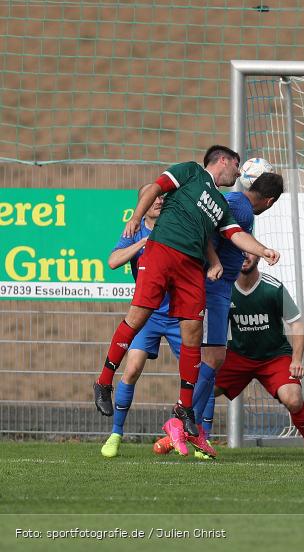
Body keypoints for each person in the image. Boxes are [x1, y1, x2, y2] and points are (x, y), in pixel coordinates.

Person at [92, 145, 280, 455]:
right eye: (236, 165)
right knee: (138, 317)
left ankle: (184, 409)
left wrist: (262, 250)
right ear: (224, 160)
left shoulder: (221, 204)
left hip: (191, 267)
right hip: (162, 252)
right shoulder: (190, 171)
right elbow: (155, 187)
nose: (238, 172)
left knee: (193, 332)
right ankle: (103, 382)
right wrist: (136, 218)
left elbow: (230, 234)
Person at [155, 253, 304, 458]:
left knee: (294, 399)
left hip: (274, 357)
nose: (245, 255)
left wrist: (297, 359)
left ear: (259, 257)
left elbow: (297, 323)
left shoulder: (273, 288)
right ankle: (178, 434)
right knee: (200, 386)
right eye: (240, 251)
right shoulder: (224, 289)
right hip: (237, 357)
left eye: (250, 251)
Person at [185, 172, 284, 458]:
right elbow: (205, 229)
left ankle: (193, 428)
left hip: (219, 289)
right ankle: (182, 419)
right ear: (270, 200)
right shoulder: (239, 206)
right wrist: (213, 261)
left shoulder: (238, 205)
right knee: (208, 359)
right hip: (210, 288)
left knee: (214, 359)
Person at [99, 187, 183, 458]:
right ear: (142, 204)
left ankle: (193, 434)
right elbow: (112, 261)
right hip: (148, 314)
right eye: (153, 197)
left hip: (180, 314)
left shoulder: (175, 229)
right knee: (132, 368)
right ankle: (115, 434)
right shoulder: (134, 232)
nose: (159, 200)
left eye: (162, 197)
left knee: (200, 375)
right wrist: (141, 244)